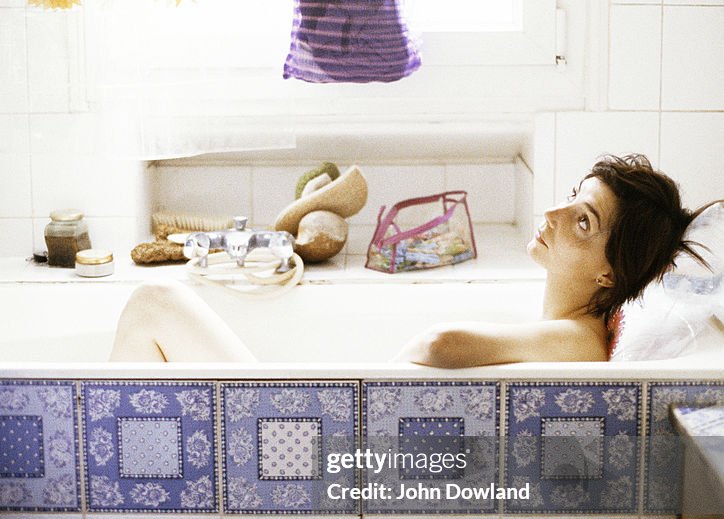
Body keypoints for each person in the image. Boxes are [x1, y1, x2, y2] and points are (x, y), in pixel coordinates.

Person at [110, 155, 712, 366]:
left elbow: (443, 343)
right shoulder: (568, 325)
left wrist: (381, 381)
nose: (553, 214)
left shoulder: (582, 339)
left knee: (154, 302)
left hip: (339, 462)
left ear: (609, 273)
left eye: (583, 221)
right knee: (154, 306)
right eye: (573, 195)